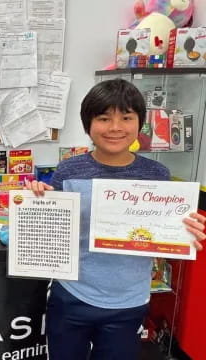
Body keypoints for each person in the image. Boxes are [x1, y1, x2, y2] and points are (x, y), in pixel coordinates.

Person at [26, 78, 206, 360]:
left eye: (126, 117)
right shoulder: (69, 170)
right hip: (71, 295)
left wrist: (186, 232)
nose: (115, 127)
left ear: (139, 124)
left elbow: (165, 234)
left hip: (129, 301)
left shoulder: (157, 174)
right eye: (104, 118)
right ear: (88, 125)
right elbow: (50, 232)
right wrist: (36, 202)